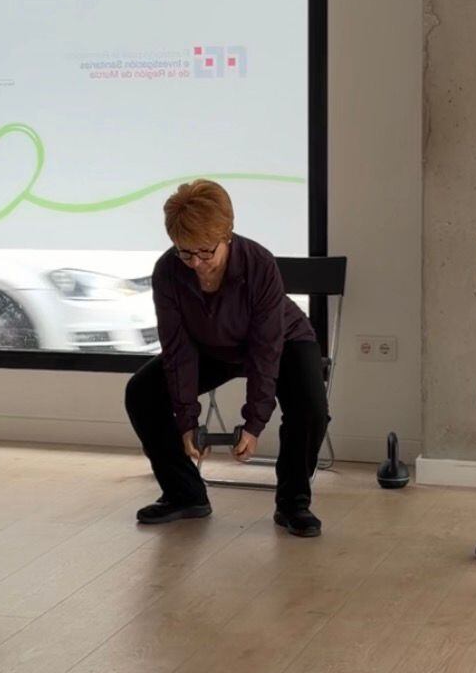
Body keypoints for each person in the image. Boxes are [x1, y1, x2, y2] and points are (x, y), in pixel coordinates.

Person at [125, 180, 329, 537]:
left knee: (310, 409)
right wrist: (187, 420)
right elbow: (177, 349)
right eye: (185, 253)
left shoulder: (259, 264)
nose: (197, 264)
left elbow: (267, 350)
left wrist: (253, 424)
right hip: (213, 347)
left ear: (227, 236)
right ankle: (184, 494)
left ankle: (293, 503)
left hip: (283, 340)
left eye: (206, 252)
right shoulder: (168, 272)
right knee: (142, 391)